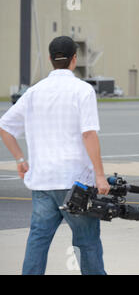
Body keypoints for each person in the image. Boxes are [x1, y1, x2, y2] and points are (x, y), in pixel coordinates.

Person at [0, 36, 110, 275]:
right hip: (76, 183)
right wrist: (100, 176)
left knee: (38, 240)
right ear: (74, 59)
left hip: (42, 182)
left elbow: (5, 127)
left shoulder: (33, 92)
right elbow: (89, 134)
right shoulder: (83, 90)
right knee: (86, 242)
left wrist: (20, 159)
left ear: (50, 59)